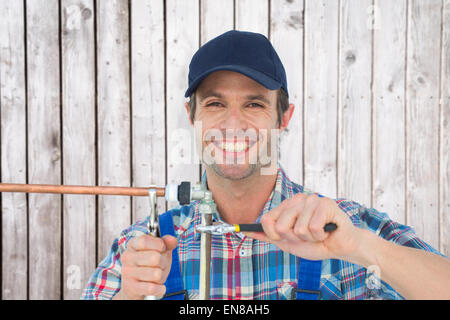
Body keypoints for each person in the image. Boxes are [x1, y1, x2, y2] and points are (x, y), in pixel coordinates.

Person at [81, 30, 450, 300]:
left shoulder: (346, 228)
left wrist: (364, 249)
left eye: (254, 104)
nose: (233, 124)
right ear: (191, 116)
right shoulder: (142, 251)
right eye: (214, 104)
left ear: (283, 117)